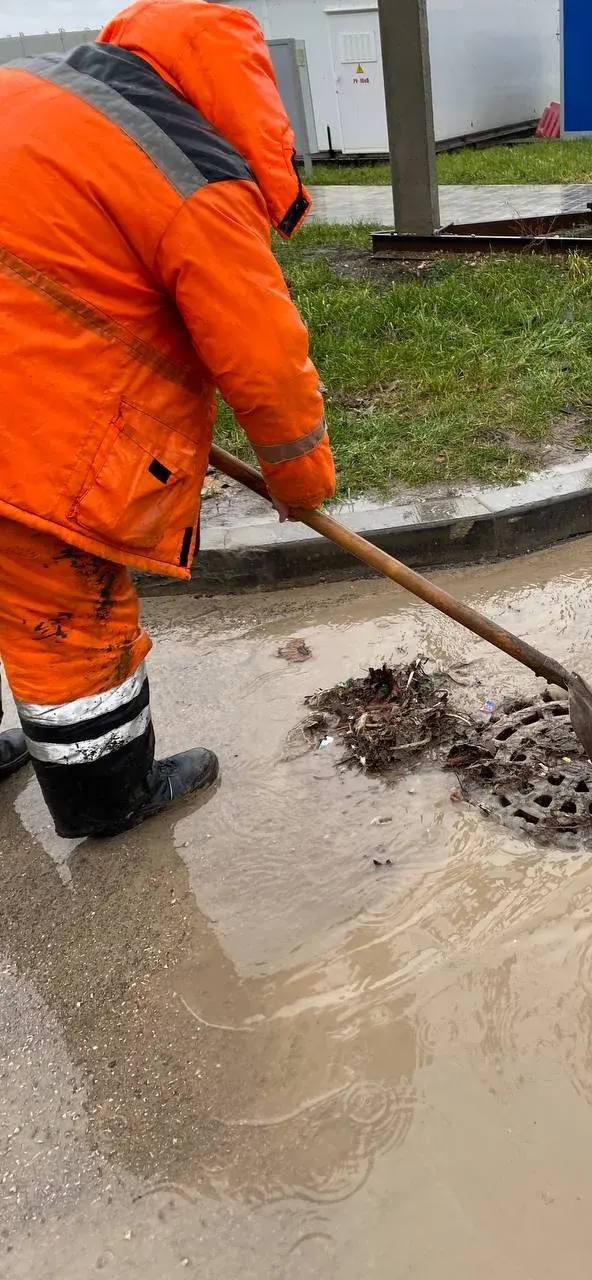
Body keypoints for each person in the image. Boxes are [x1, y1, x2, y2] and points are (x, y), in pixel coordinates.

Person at [0, 0, 336, 838]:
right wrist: (300, 477)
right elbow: (262, 355)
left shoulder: (24, 91)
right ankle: (105, 797)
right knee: (66, 613)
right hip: (24, 439)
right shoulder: (190, 173)